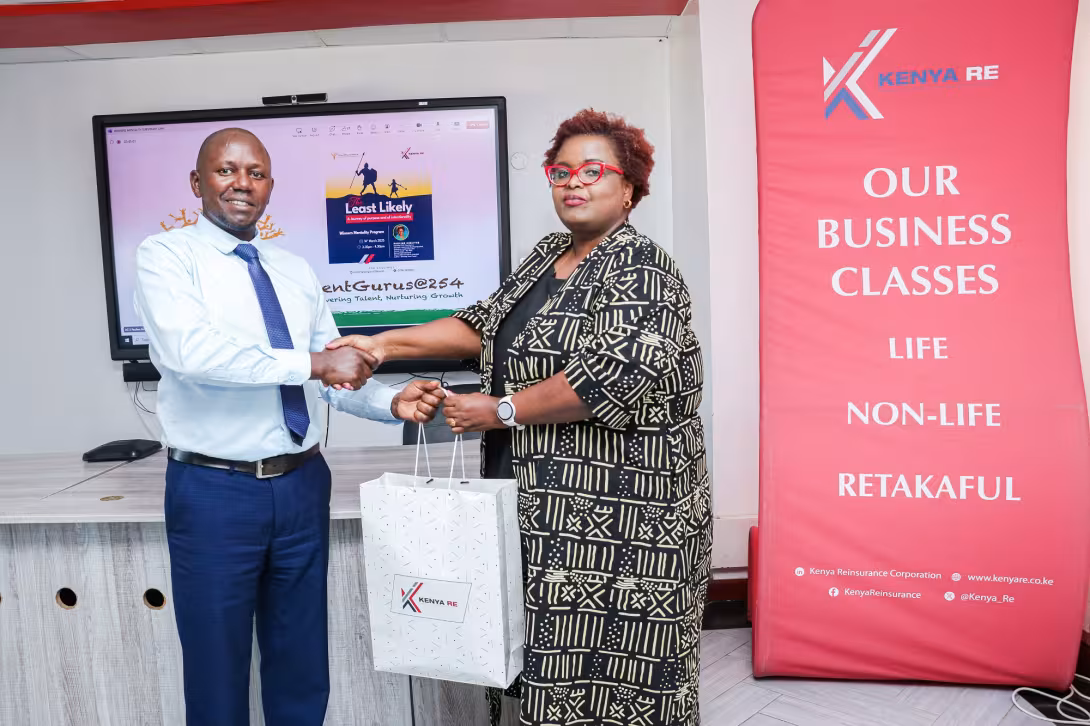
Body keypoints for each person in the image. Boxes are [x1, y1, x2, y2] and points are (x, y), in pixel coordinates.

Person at [329, 109, 712, 726]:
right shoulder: (547, 257)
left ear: (630, 189)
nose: (573, 182)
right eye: (561, 171)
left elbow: (613, 374)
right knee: (545, 660)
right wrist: (383, 344)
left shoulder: (644, 267)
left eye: (593, 170)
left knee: (616, 668)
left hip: (624, 521)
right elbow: (480, 327)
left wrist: (502, 410)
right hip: (540, 507)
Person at [134, 128, 443, 726]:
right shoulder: (166, 255)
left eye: (256, 173)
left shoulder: (294, 268)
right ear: (197, 182)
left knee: (301, 663)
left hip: (302, 483)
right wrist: (316, 364)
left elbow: (331, 371)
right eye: (226, 170)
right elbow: (190, 353)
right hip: (215, 491)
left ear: (270, 187)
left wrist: (391, 402)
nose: (241, 183)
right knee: (216, 669)